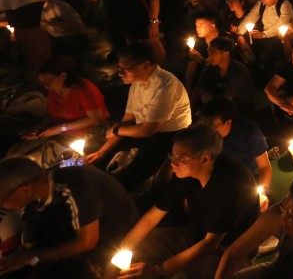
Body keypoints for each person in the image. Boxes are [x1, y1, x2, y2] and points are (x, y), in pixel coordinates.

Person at [113, 124, 260, 279]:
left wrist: (157, 270)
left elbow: (210, 244)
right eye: (172, 156)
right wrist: (120, 253)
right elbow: (152, 217)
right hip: (198, 235)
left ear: (205, 158)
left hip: (230, 248)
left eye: (180, 159)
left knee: (181, 276)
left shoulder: (231, 184)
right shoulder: (186, 172)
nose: (173, 164)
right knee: (143, 248)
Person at [85, 42, 191, 193]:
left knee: (126, 177)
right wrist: (103, 151)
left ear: (146, 65)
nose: (120, 73)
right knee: (100, 163)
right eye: (119, 69)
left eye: (125, 69)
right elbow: (127, 121)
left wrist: (116, 131)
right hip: (140, 130)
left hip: (169, 136)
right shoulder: (136, 84)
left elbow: (146, 131)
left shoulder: (165, 85)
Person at [0, 156, 136, 273]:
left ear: (24, 190)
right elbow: (31, 240)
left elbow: (87, 242)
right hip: (78, 233)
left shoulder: (77, 185)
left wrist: (30, 258)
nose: (2, 206)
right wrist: (25, 257)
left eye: (2, 200)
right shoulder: (34, 199)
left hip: (115, 239)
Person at [9, 55, 108, 160]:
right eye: (43, 84)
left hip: (83, 136)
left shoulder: (83, 88)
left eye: (48, 82)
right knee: (13, 153)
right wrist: (39, 130)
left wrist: (61, 128)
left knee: (32, 159)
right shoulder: (54, 92)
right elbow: (52, 117)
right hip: (60, 134)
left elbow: (95, 119)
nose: (46, 87)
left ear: (63, 76)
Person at [201, 98, 273, 199]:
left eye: (213, 126)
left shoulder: (250, 133)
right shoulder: (202, 132)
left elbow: (265, 167)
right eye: (205, 125)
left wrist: (263, 194)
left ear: (228, 123)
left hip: (244, 179)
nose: (208, 130)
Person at [194, 35, 255, 112]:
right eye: (208, 52)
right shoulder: (211, 68)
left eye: (213, 53)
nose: (209, 57)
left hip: (240, 109)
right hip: (220, 102)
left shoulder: (238, 71)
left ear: (225, 54)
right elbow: (198, 90)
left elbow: (226, 101)